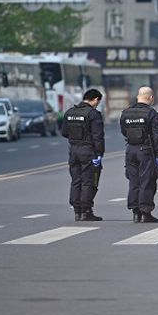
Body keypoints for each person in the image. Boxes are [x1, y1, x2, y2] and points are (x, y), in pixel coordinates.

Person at [119, 87, 158, 223]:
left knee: (134, 181)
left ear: (138, 97)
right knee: (147, 181)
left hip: (130, 150)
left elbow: (123, 131)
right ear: (150, 98)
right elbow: (157, 136)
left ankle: (135, 212)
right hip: (146, 151)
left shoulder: (126, 113)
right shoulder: (151, 113)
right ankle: (146, 212)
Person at [61, 89, 105, 222]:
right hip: (88, 152)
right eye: (98, 102)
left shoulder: (69, 112)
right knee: (88, 181)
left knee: (76, 180)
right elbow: (98, 137)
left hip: (73, 151)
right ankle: (86, 211)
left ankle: (77, 211)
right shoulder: (93, 114)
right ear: (96, 99)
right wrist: (99, 154)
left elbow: (64, 132)